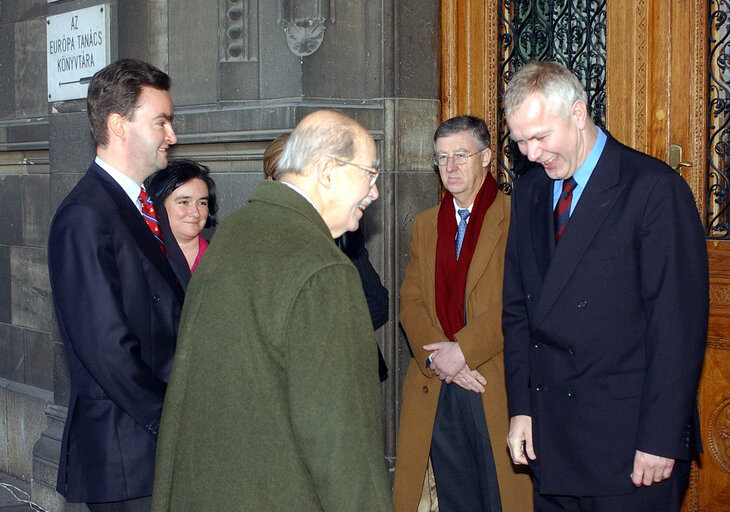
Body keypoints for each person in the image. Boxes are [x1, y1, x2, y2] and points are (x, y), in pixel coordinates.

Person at [151, 110, 395, 512]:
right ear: (327, 171)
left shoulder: (234, 232)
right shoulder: (323, 267)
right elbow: (342, 441)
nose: (374, 191)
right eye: (369, 174)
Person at [502, 60, 708, 511]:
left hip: (629, 447)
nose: (532, 154)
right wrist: (522, 408)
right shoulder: (530, 193)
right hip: (552, 439)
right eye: (520, 142)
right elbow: (518, 312)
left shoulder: (654, 189)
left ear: (578, 114)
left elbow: (676, 329)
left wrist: (661, 438)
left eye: (540, 137)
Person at [47, 59, 183, 512]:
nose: (172, 136)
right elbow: (107, 348)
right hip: (127, 455)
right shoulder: (85, 216)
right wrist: (173, 421)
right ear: (118, 125)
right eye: (161, 121)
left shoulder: (146, 204)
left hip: (151, 452)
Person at [393, 115, 532, 512]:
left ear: (486, 156)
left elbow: (523, 299)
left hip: (494, 381)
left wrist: (464, 351)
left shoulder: (516, 215)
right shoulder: (425, 224)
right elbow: (411, 302)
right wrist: (441, 359)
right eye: (441, 158)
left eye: (460, 155)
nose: (449, 167)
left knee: (500, 497)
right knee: (457, 498)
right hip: (439, 383)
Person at [264, 133, 390, 381]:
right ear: (271, 181)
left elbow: (377, 302)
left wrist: (329, 338)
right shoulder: (257, 235)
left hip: (348, 371)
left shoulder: (342, 229)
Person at [147, 159, 218, 285]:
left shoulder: (222, 258)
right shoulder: (143, 258)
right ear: (158, 204)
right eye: (184, 202)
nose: (195, 213)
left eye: (202, 203)